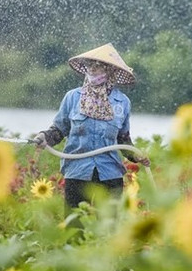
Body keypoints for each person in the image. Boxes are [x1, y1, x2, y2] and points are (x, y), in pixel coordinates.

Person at [33, 43, 149, 210]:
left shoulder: (122, 102)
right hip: (77, 171)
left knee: (108, 228)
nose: (93, 70)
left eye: (99, 66)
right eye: (90, 66)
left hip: (110, 173)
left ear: (110, 71)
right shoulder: (72, 97)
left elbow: (123, 140)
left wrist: (137, 156)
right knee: (75, 227)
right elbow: (59, 130)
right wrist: (45, 137)